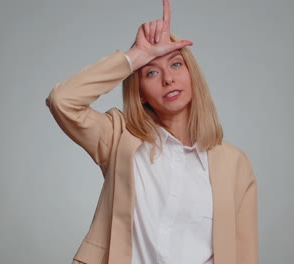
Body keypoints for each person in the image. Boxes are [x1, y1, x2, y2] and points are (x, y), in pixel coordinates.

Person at [45, 1, 258, 263]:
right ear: (141, 94)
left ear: (192, 75)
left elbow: (244, 254)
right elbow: (63, 101)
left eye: (177, 65)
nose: (167, 79)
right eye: (152, 72)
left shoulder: (235, 163)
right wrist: (135, 57)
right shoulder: (118, 138)